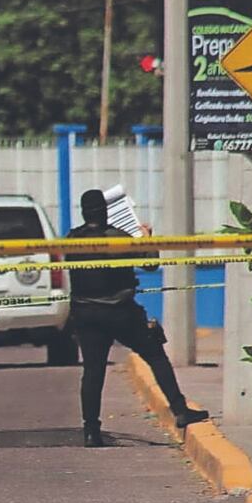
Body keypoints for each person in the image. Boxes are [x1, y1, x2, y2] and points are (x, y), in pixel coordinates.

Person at [65, 189, 209, 448]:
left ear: (84, 212)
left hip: (86, 314)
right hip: (121, 312)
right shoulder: (120, 238)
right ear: (105, 211)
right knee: (155, 355)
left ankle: (91, 431)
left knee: (93, 371)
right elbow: (151, 265)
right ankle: (180, 410)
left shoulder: (72, 239)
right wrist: (147, 239)